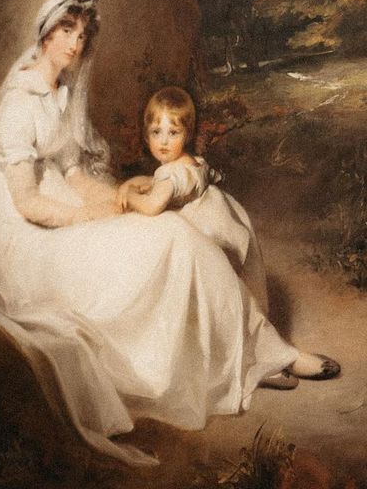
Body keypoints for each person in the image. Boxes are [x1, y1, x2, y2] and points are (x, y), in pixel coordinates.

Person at [0, 0, 338, 466]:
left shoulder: (62, 91)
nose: (76, 44)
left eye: (82, 34)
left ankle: (258, 354)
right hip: (28, 232)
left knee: (186, 227)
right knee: (174, 238)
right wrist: (103, 214)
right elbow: (31, 205)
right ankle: (268, 355)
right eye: (66, 31)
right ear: (45, 33)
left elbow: (75, 174)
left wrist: (121, 196)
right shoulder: (19, 102)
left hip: (64, 201)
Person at [117, 87, 339, 385]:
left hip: (208, 244)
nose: (164, 141)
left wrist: (130, 196)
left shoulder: (170, 175)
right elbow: (164, 182)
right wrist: (135, 182)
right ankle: (261, 363)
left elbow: (155, 202)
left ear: (188, 133)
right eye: (157, 132)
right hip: (227, 237)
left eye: (173, 132)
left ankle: (272, 360)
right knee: (230, 305)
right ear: (146, 136)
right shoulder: (192, 163)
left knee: (230, 305)